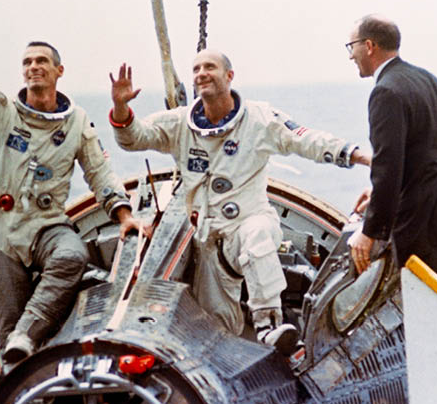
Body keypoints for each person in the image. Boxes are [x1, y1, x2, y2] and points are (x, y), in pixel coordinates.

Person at [108, 50, 370, 351]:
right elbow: (134, 138)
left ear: (229, 76)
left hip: (248, 222)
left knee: (256, 235)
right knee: (220, 327)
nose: (201, 73)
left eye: (210, 67)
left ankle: (269, 324)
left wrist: (361, 156)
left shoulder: (259, 119)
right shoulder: (181, 123)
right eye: (196, 69)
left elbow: (306, 139)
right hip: (208, 239)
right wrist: (120, 108)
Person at [0, 0, 143, 365]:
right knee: (12, 342)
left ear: (58, 72)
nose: (33, 67)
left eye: (41, 61)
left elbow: (99, 172)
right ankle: (19, 365)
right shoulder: (1, 113)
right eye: (27, 62)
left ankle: (25, 334)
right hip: (1, 231)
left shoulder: (77, 122)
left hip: (47, 226)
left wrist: (124, 214)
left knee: (71, 255)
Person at [346, 15, 437, 287]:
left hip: (425, 220)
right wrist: (377, 196)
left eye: (352, 47)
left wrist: (369, 232)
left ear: (369, 46)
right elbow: (430, 151)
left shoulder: (385, 92)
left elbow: (388, 168)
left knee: (430, 311)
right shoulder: (427, 79)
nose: (351, 56)